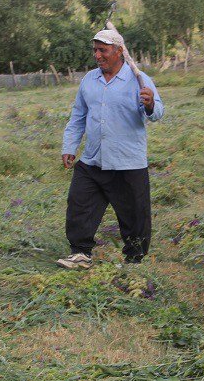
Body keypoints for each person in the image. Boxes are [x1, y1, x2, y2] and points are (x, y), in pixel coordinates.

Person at [58, 29, 164, 269]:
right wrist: (70, 146)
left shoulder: (139, 80)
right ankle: (80, 253)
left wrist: (149, 105)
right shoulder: (89, 80)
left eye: (102, 50)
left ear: (119, 51)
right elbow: (78, 116)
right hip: (93, 160)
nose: (97, 55)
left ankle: (134, 260)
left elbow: (158, 113)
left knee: (134, 215)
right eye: (95, 50)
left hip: (127, 162)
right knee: (79, 205)